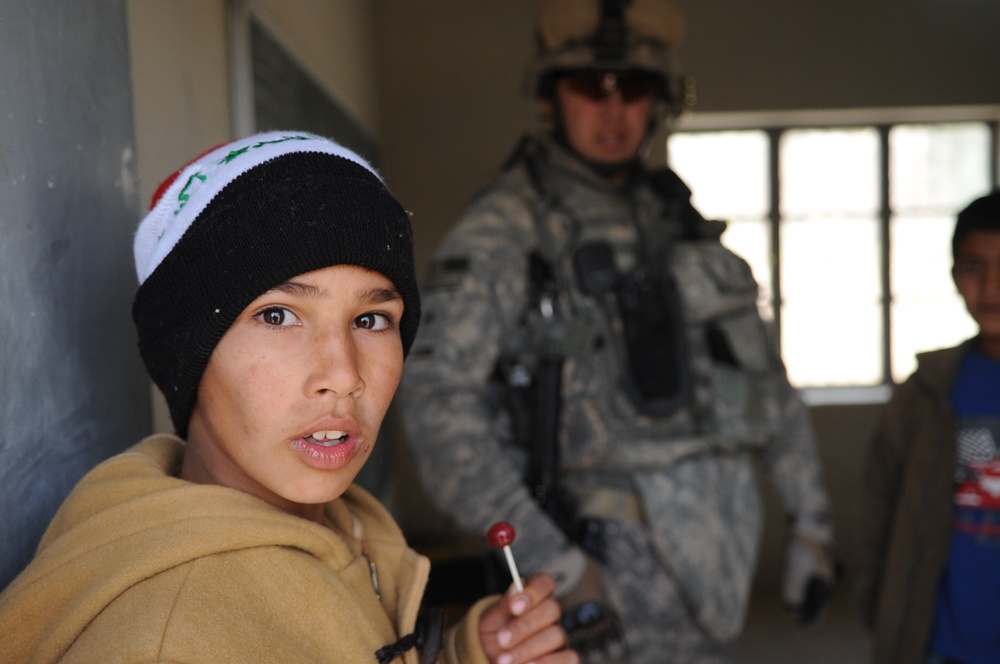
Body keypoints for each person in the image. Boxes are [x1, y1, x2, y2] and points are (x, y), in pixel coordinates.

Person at [0, 131, 577, 664]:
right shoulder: (172, 641)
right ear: (189, 356)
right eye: (278, 315)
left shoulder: (335, 529)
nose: (343, 373)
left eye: (372, 319)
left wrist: (466, 653)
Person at [399, 1, 837, 662]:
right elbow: (436, 402)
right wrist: (556, 563)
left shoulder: (676, 217)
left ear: (659, 101)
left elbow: (765, 385)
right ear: (549, 98)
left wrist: (811, 521)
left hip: (715, 563)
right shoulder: (510, 226)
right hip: (600, 567)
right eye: (590, 87)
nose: (613, 109)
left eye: (632, 88)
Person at [856, 189, 1000, 664]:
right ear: (955, 277)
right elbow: (881, 499)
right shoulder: (927, 390)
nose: (992, 287)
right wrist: (882, 602)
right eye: (974, 268)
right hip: (942, 641)